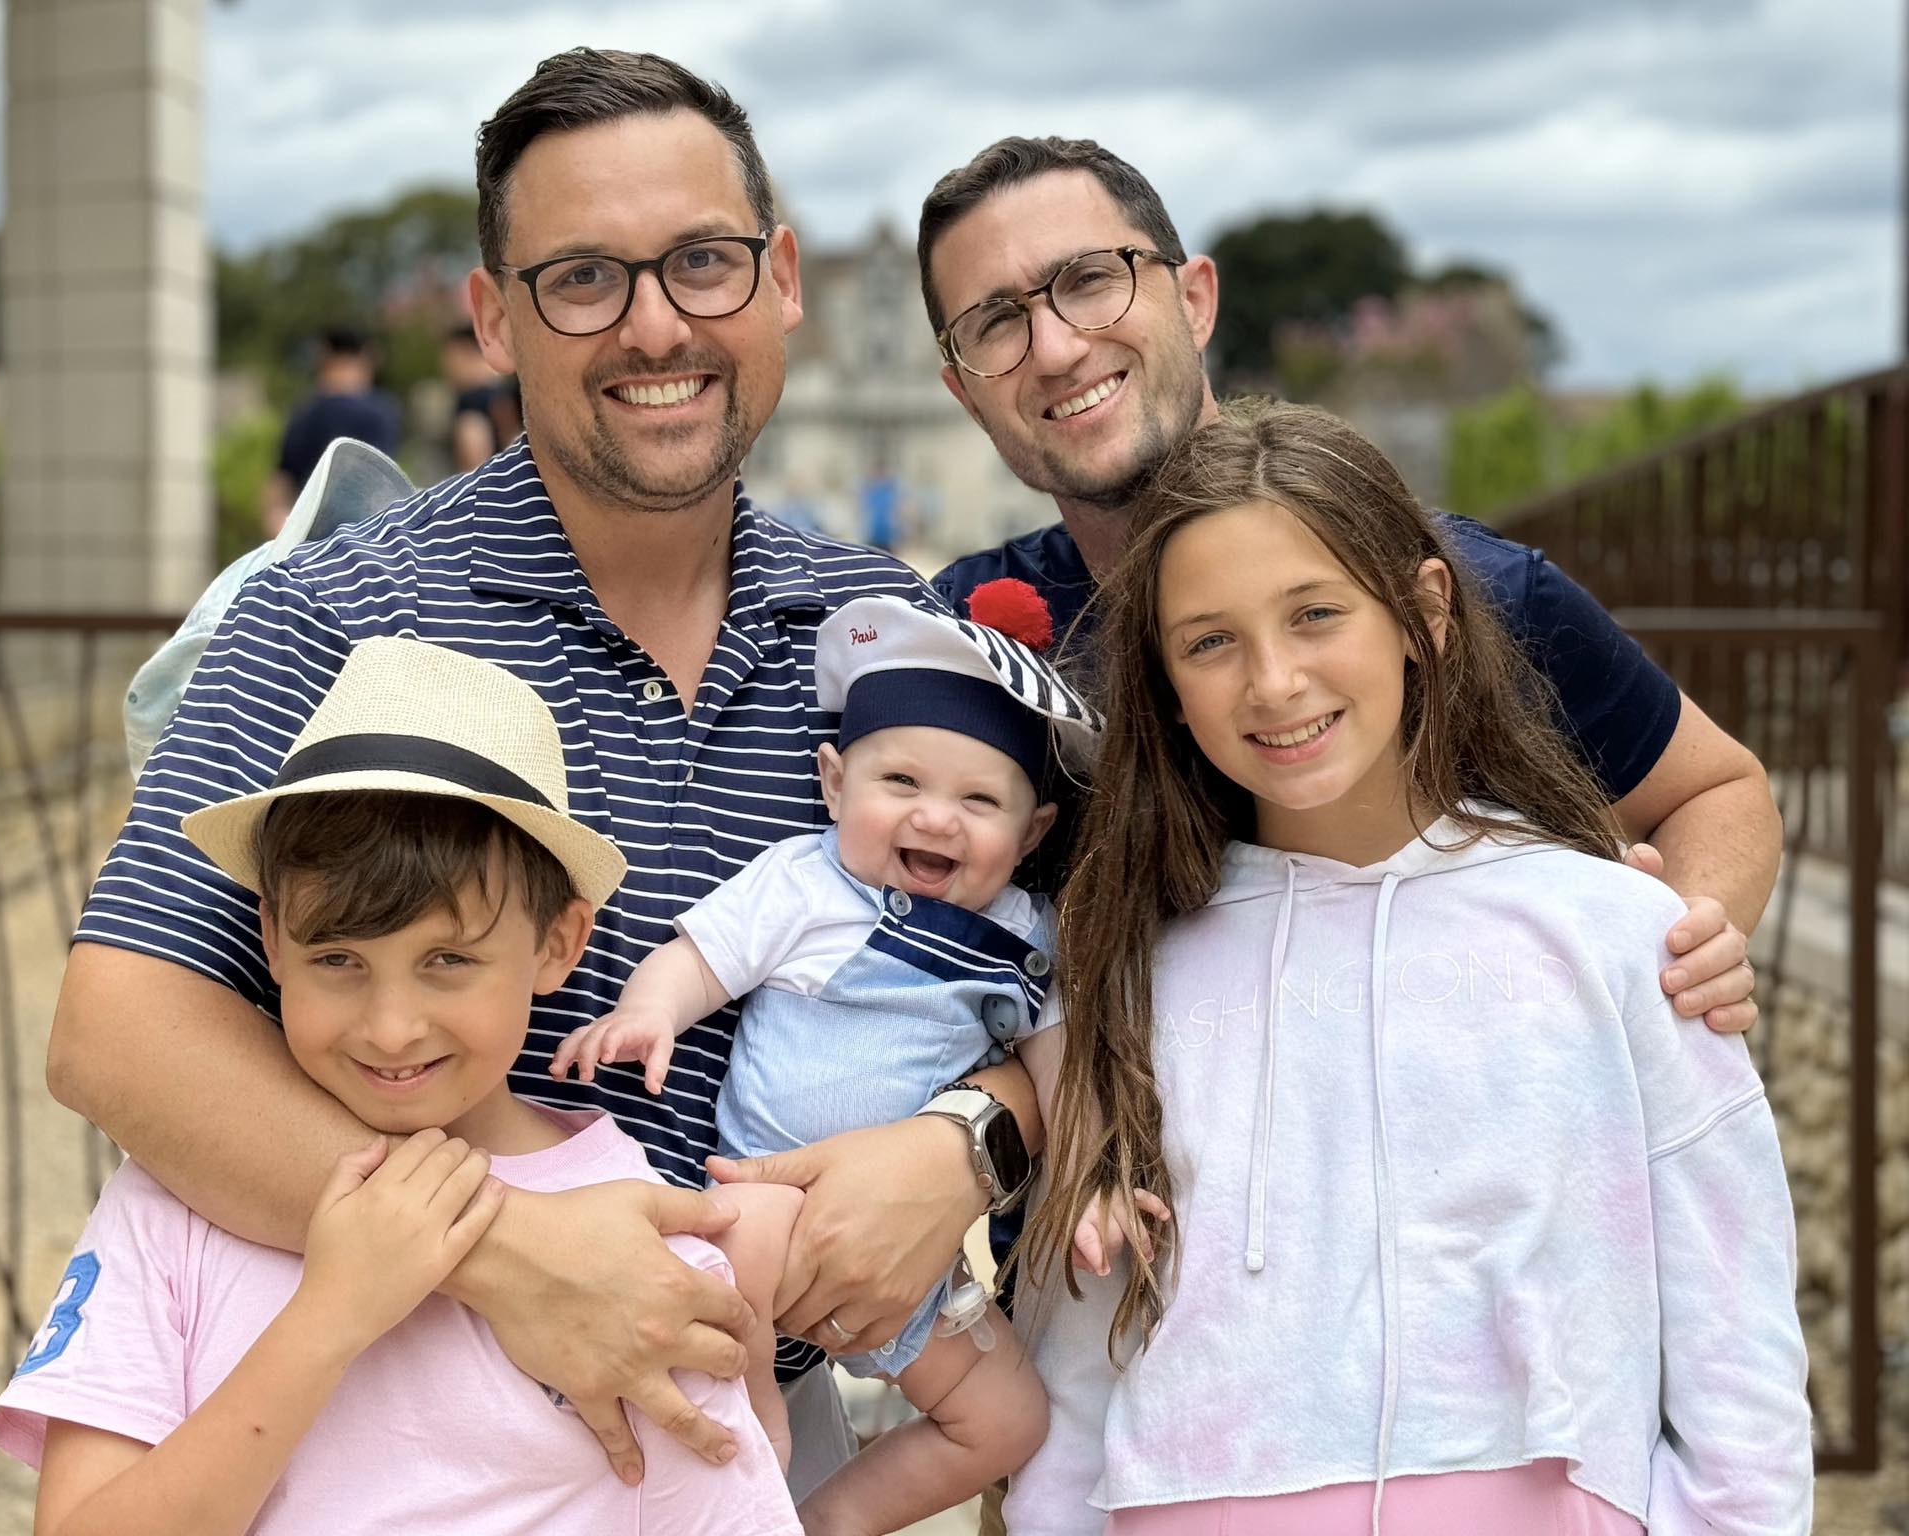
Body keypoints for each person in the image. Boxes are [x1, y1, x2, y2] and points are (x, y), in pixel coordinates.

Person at [44, 48, 1041, 1495]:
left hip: (753, 1425)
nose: (655, 327)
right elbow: (118, 1030)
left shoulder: (875, 625)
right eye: (583, 278)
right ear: (493, 317)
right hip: (399, 1405)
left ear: (781, 280)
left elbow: (1081, 964)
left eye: (702, 263)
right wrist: (513, 1260)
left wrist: (972, 1142)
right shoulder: (332, 615)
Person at [1005, 401, 1811, 1535]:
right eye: (1209, 641)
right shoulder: (1119, 970)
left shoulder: (1613, 934)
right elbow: (1078, 1349)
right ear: (1164, 681)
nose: (1274, 682)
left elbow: (1736, 1347)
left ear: (1421, 612)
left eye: (1315, 613)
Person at [916, 136, 1775, 1035]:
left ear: (1197, 300)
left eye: (1091, 278)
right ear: (963, 392)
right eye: (996, 323)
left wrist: (1662, 971)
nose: (1054, 347)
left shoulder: (1461, 593)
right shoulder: (961, 644)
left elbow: (1714, 792)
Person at [0, 638, 802, 1535]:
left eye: (448, 960)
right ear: (270, 936)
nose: (390, 1027)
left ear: (559, 943)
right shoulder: (174, 1204)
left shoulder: (640, 1251)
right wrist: (331, 1318)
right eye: (337, 959)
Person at [553, 592, 1096, 1534]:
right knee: (745, 1284)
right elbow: (704, 956)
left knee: (1008, 1422)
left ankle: (824, 1522)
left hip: (910, 1255)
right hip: (761, 1194)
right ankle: (752, 1428)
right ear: (835, 783)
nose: (938, 818)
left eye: (980, 800)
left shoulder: (1022, 939)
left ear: (1035, 831)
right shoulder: (805, 884)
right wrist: (648, 1011)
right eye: (902, 784)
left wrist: (1092, 1177)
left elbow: (1060, 1069)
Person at [265, 326, 404, 535]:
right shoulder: (383, 411)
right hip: (371, 536)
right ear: (367, 358)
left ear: (324, 358)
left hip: (310, 537)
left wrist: (280, 529)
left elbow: (281, 482)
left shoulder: (306, 412)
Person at [445, 322, 521, 473]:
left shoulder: (471, 399)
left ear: (466, 352)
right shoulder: (506, 387)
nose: (447, 368)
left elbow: (472, 444)